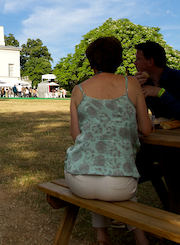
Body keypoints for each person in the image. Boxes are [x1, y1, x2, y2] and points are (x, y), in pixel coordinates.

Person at [64, 37, 151, 245]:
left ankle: (102, 236)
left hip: (80, 180)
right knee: (113, 175)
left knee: (98, 168)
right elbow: (146, 129)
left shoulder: (79, 90)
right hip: (122, 183)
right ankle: (141, 239)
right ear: (118, 59)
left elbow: (76, 135)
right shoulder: (132, 85)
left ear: (91, 61)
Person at [133, 41, 180, 218]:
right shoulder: (143, 83)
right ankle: (118, 206)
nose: (135, 63)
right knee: (129, 155)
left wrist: (161, 93)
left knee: (171, 160)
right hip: (161, 143)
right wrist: (131, 89)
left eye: (138, 59)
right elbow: (131, 116)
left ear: (150, 61)